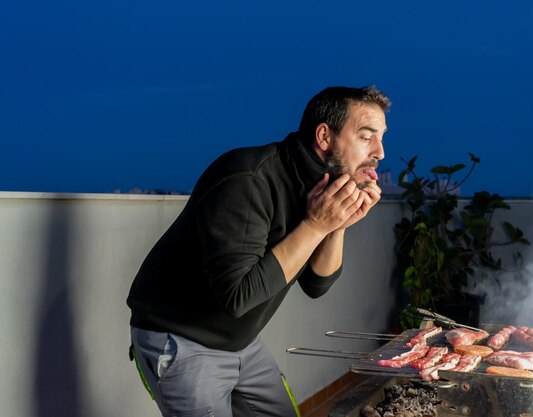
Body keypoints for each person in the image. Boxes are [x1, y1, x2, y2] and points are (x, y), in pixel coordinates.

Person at [126, 85, 391, 417]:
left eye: (381, 138)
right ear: (324, 137)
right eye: (367, 137)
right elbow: (237, 297)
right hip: (182, 339)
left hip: (240, 341)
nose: (380, 152)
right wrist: (316, 226)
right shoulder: (247, 179)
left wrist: (337, 224)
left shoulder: (319, 188)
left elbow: (316, 284)